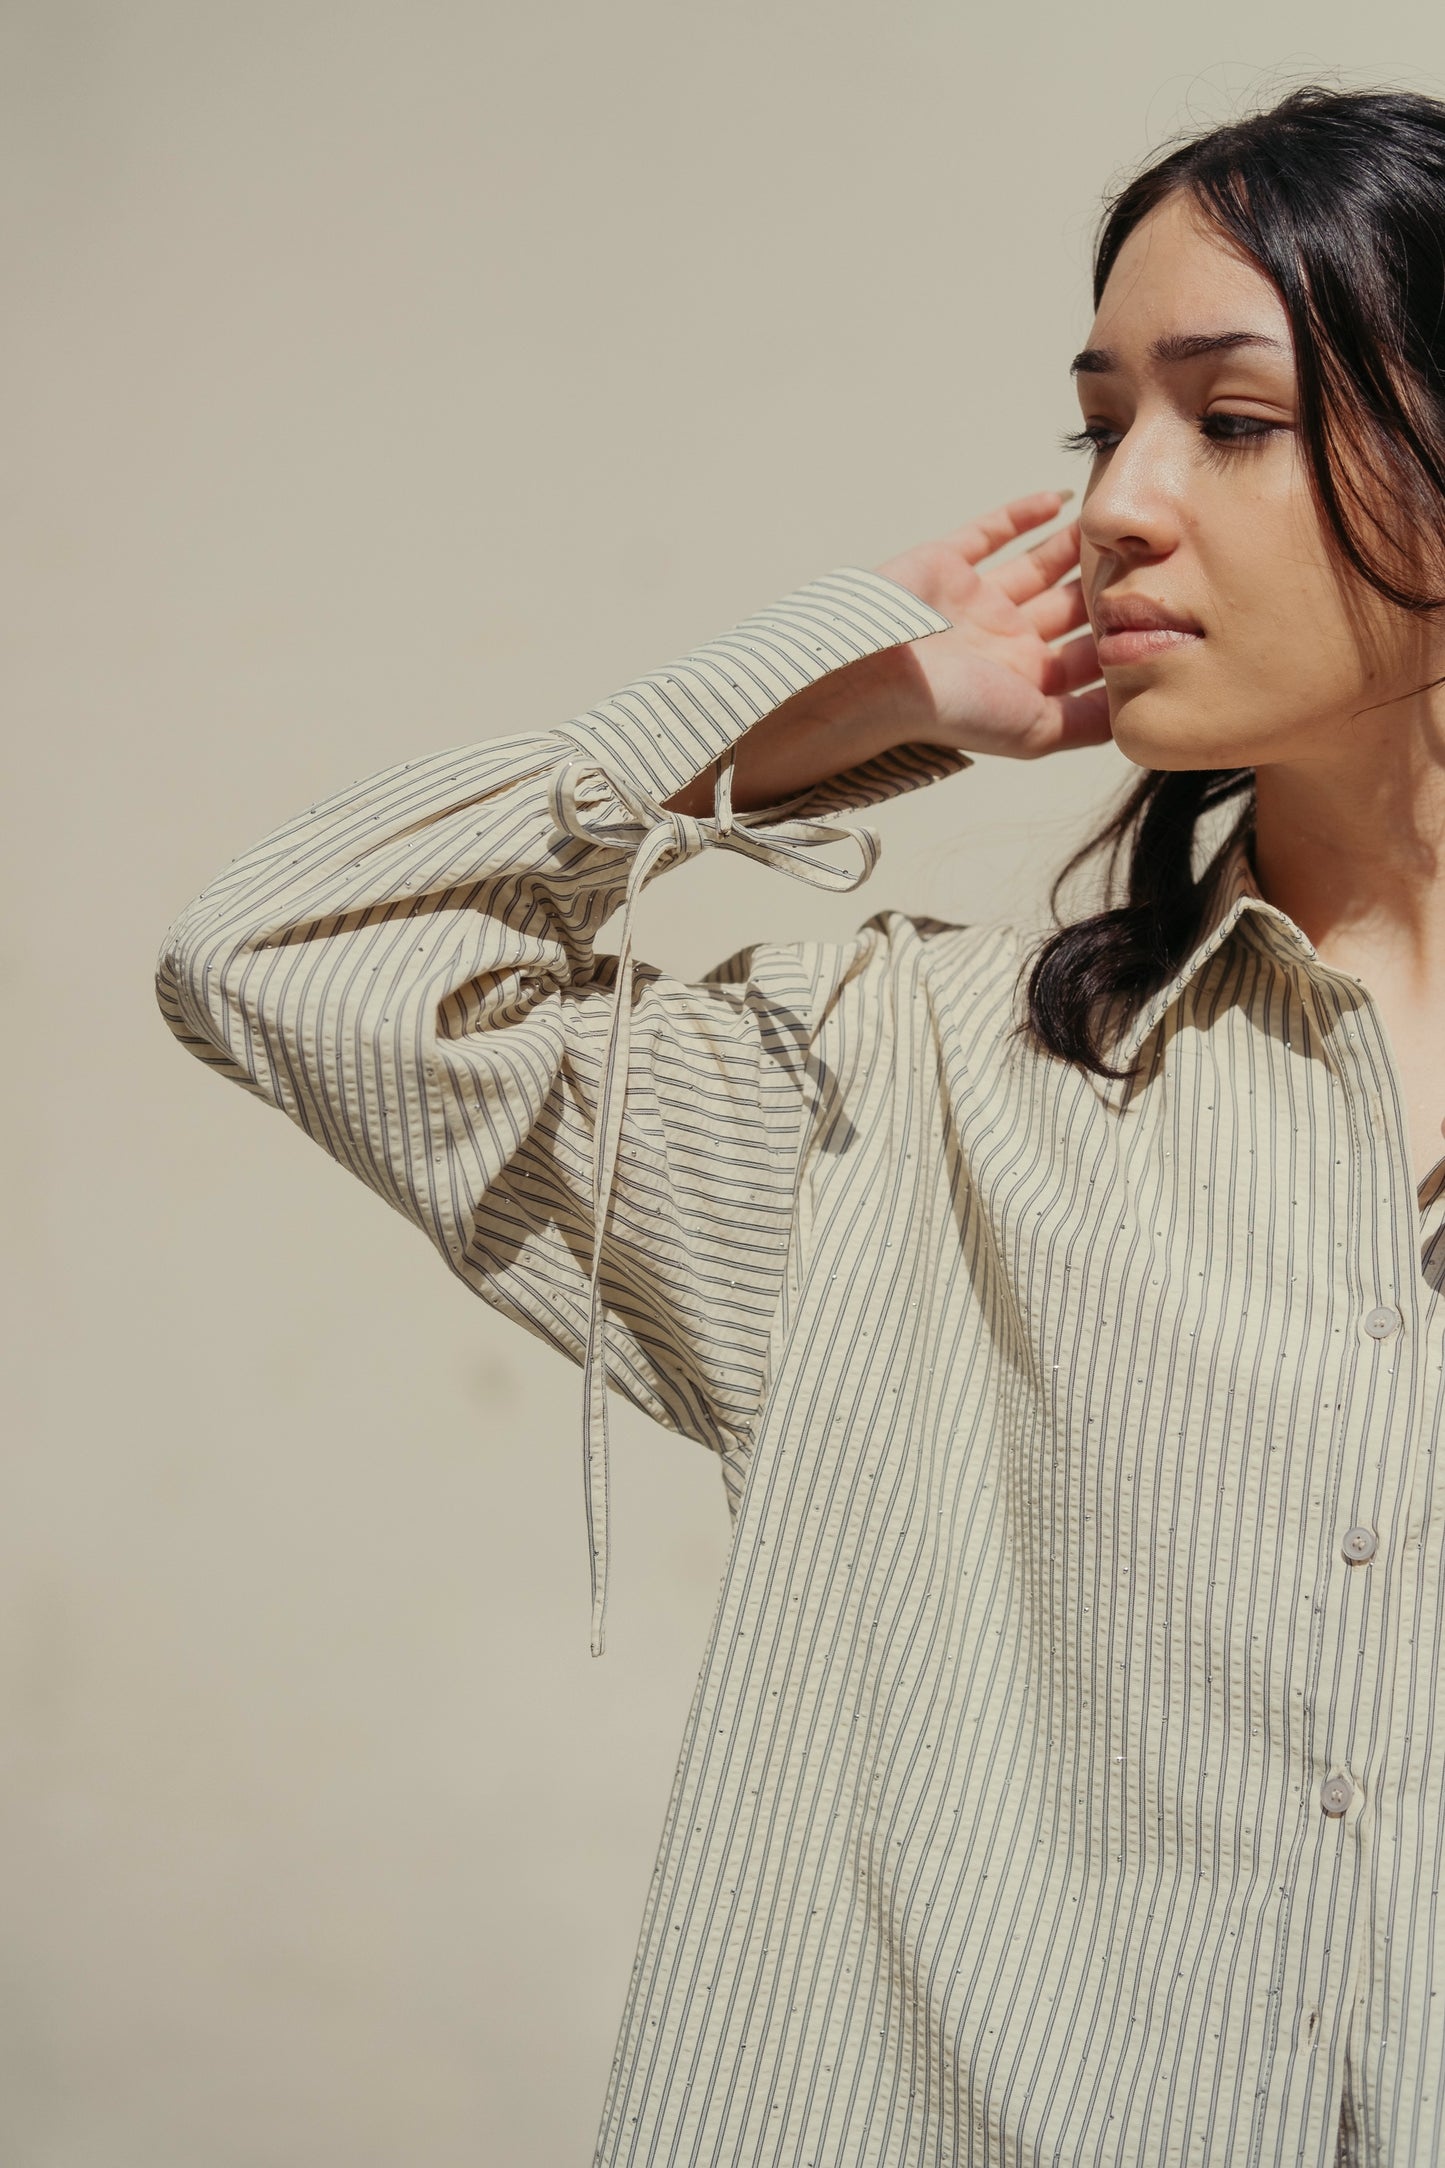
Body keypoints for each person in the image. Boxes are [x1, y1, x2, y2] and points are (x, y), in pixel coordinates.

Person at [154, 80, 1445, 2168]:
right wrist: (845, 697)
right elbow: (292, 950)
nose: (1118, 501)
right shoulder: (911, 1097)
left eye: (1228, 419)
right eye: (1096, 423)